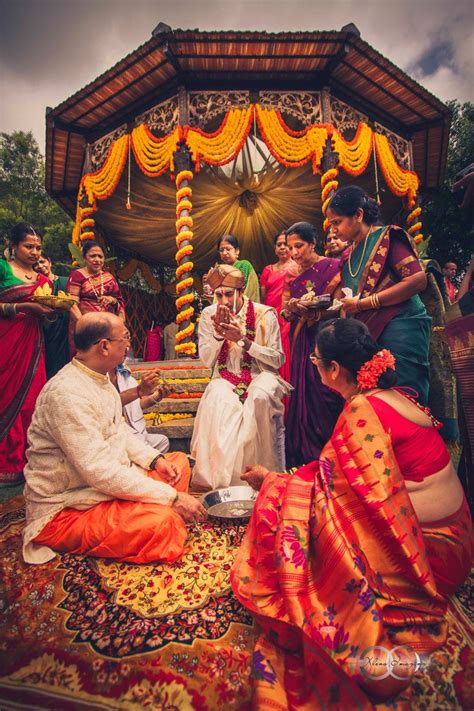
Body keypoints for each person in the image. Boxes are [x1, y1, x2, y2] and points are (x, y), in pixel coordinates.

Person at [232, 319, 472, 710]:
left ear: (334, 370)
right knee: (299, 496)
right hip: (457, 539)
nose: (312, 366)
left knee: (286, 511)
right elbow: (343, 478)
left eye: (314, 360)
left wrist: (276, 483)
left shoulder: (363, 409)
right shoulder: (390, 394)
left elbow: (338, 490)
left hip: (429, 557)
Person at [22, 312, 206, 565]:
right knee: (163, 524)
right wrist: (170, 497)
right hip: (70, 506)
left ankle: (146, 506)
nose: (129, 344)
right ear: (104, 346)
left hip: (103, 487)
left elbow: (120, 432)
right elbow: (98, 471)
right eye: (125, 338)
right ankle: (152, 512)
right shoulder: (65, 394)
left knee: (176, 465)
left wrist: (155, 461)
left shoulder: (101, 381)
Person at [327, 185, 432, 405]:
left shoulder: (387, 237)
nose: (334, 230)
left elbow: (417, 280)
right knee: (379, 402)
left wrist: (365, 303)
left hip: (401, 327)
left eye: (337, 222)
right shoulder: (350, 255)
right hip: (369, 336)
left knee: (406, 398)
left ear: (358, 215)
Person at [191, 264, 290, 490]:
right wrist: (218, 335)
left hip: (260, 373)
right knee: (218, 398)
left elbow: (277, 360)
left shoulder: (265, 314)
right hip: (225, 377)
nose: (223, 301)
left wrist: (243, 340)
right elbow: (206, 361)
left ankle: (268, 477)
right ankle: (226, 483)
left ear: (241, 291)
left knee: (260, 397)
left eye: (228, 294)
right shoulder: (208, 314)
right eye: (218, 295)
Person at [280, 222, 343, 466]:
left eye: (299, 246)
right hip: (303, 341)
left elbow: (339, 304)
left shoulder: (333, 267)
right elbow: (285, 311)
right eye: (290, 247)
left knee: (328, 393)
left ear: (313, 243)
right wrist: (293, 309)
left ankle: (332, 453)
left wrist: (317, 312)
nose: (294, 253)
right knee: (305, 395)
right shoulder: (291, 276)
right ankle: (305, 457)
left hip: (328, 337)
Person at [0, 223, 55, 487]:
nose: (34, 252)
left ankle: (24, 463)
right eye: (28, 246)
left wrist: (50, 311)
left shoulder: (44, 281)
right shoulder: (2, 269)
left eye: (38, 248)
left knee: (31, 401)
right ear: (14, 245)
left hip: (32, 346)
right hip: (5, 342)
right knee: (4, 395)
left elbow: (49, 315)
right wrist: (23, 307)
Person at [67, 239, 125, 355]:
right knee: (86, 360)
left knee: (106, 358)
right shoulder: (77, 275)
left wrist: (112, 300)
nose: (97, 260)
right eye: (93, 256)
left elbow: (119, 302)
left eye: (100, 256)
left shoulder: (109, 277)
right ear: (84, 258)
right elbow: (71, 304)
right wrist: (85, 325)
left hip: (106, 329)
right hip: (84, 328)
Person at [259, 232, 298, 382]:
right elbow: (263, 298)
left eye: (285, 244)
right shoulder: (268, 270)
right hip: (270, 318)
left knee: (286, 351)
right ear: (275, 248)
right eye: (279, 244)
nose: (282, 247)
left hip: (288, 317)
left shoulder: (298, 268)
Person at [110, 362, 170, 452]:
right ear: (104, 348)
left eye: (128, 346)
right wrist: (139, 390)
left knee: (162, 441)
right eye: (122, 347)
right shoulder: (98, 374)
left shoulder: (125, 375)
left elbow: (136, 405)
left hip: (134, 433)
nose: (127, 348)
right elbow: (108, 403)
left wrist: (157, 396)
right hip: (114, 435)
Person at [36, 252, 74, 378]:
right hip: (45, 330)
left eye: (42, 262)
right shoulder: (35, 286)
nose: (40, 266)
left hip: (64, 329)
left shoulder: (66, 282)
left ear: (49, 262)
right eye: (36, 264)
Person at [213, 234, 261, 302]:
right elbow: (218, 296)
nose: (224, 253)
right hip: (222, 308)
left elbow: (249, 291)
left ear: (237, 251)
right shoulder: (219, 270)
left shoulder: (244, 265)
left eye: (228, 249)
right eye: (221, 250)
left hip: (242, 308)